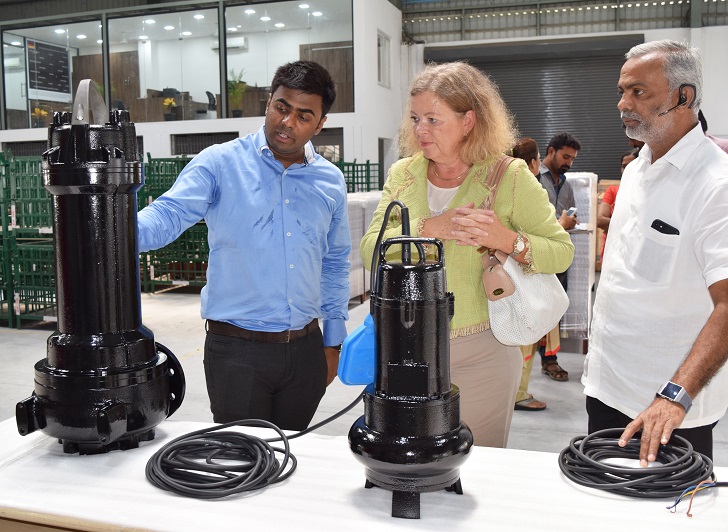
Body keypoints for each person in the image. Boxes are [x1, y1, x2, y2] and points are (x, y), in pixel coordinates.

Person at [360, 62, 574, 447]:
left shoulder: (508, 176)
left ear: (468, 120)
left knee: (480, 465)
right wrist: (428, 229)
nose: (419, 130)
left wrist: (508, 239)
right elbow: (370, 250)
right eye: (414, 118)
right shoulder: (403, 175)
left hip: (485, 352)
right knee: (410, 463)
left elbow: (561, 252)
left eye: (432, 119)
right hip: (404, 349)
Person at [137, 60, 351, 430]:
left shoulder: (329, 181)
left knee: (291, 459)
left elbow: (334, 262)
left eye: (303, 116)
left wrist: (333, 342)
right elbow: (167, 215)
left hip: (305, 351)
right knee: (244, 464)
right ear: (269, 103)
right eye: (282, 108)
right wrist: (107, 225)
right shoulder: (220, 163)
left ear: (320, 124)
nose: (288, 123)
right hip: (237, 353)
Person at [583, 40, 728, 464]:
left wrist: (675, 396)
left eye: (639, 92)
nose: (623, 103)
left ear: (684, 96)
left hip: (668, 412)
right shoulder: (637, 171)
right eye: (622, 91)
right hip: (607, 389)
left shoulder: (715, 185)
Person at [535, 132, 582, 382]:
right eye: (565, 156)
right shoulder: (533, 179)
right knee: (534, 307)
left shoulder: (567, 184)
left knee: (555, 309)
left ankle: (549, 359)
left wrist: (570, 222)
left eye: (572, 159)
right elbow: (529, 220)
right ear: (551, 151)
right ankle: (527, 362)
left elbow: (569, 216)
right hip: (536, 255)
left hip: (559, 255)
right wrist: (559, 223)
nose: (569, 163)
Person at [511, 137, 548, 412]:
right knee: (527, 337)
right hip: (527, 273)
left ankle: (509, 390)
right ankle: (519, 393)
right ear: (534, 163)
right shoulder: (531, 188)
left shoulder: (501, 184)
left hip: (505, 275)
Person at [596, 148, 639, 260]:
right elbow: (600, 220)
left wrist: (613, 224)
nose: (626, 170)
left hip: (635, 253)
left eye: (630, 165)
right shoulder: (613, 191)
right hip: (611, 251)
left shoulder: (644, 192)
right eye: (624, 166)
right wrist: (633, 225)